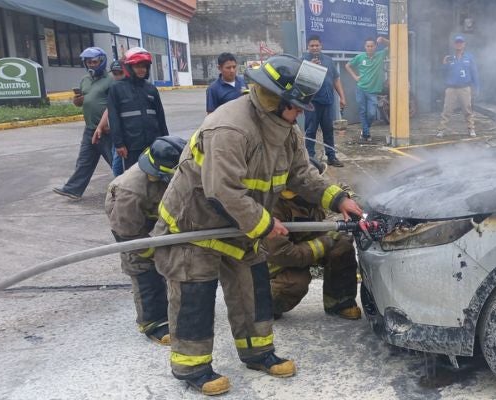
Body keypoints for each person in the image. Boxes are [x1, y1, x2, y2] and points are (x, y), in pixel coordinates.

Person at [151, 54, 364, 396]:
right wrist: (265, 223)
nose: (298, 114)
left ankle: (258, 353)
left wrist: (339, 200)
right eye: (294, 106)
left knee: (252, 291)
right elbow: (222, 191)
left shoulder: (284, 129)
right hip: (195, 228)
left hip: (240, 228)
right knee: (195, 296)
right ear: (273, 99)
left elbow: (303, 175)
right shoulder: (230, 128)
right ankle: (192, 368)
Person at [105, 136, 187, 346]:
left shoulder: (172, 172)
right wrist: (153, 254)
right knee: (143, 268)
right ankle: (153, 322)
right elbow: (128, 233)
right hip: (130, 225)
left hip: (156, 212)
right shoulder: (130, 191)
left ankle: (175, 308)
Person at [265, 158, 361, 320]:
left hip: (302, 240)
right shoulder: (274, 207)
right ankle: (263, 304)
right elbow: (284, 253)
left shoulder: (313, 186)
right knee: (296, 283)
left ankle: (339, 303)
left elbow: (338, 187)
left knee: (342, 244)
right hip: (274, 260)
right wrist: (326, 242)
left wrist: (348, 199)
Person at [53, 47, 113, 201]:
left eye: (94, 62)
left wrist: (107, 123)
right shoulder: (85, 80)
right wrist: (78, 100)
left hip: (106, 130)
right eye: (88, 62)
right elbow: (80, 102)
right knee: (84, 161)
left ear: (101, 62)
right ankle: (73, 189)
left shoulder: (111, 80)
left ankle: (130, 188)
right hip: (90, 128)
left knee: (115, 162)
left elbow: (115, 104)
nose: (91, 65)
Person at [108, 47, 169, 171]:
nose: (142, 70)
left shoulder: (151, 89)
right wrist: (119, 144)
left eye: (144, 66)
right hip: (131, 146)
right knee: (133, 179)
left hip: (153, 143)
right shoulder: (117, 89)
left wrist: (165, 140)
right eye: (137, 66)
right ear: (129, 67)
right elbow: (113, 118)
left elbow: (160, 117)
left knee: (155, 176)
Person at [301, 35, 346, 167]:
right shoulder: (302, 61)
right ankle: (310, 158)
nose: (315, 48)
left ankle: (331, 157)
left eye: (317, 45)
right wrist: (309, 67)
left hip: (327, 101)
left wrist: (342, 97)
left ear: (321, 46)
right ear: (307, 47)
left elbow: (336, 80)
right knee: (310, 130)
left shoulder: (328, 60)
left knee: (328, 130)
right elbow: (300, 81)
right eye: (312, 46)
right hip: (311, 102)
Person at [345, 37, 389, 142]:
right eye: (368, 46)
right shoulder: (360, 57)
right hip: (361, 89)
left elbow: (392, 46)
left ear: (375, 47)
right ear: (365, 47)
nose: (370, 48)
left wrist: (383, 40)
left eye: (372, 46)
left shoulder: (380, 55)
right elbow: (348, 65)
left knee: (372, 114)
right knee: (363, 111)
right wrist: (355, 77)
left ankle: (365, 130)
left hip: (373, 91)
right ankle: (366, 134)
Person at [437, 35, 479, 138]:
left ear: (464, 44)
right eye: (457, 42)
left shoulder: (469, 58)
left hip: (465, 88)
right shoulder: (450, 58)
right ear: (454, 44)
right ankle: (441, 130)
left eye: (461, 42)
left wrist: (476, 87)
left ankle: (471, 129)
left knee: (467, 110)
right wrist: (444, 65)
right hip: (451, 88)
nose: (459, 44)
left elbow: (474, 73)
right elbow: (443, 73)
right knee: (446, 110)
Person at [92, 60, 127, 176]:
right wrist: (100, 127)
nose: (117, 77)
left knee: (117, 166)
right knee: (115, 162)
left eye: (120, 73)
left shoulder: (128, 89)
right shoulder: (114, 89)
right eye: (115, 74)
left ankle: (118, 190)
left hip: (126, 135)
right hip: (114, 134)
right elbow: (109, 109)